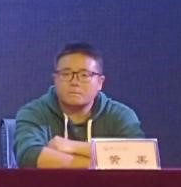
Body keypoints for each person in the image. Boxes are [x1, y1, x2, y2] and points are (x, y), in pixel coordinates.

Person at [13, 42, 144, 169]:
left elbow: (140, 156)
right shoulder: (34, 112)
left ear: (100, 82)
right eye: (66, 74)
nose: (74, 82)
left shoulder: (120, 115)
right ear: (55, 79)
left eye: (84, 75)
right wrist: (106, 162)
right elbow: (29, 157)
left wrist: (70, 146)